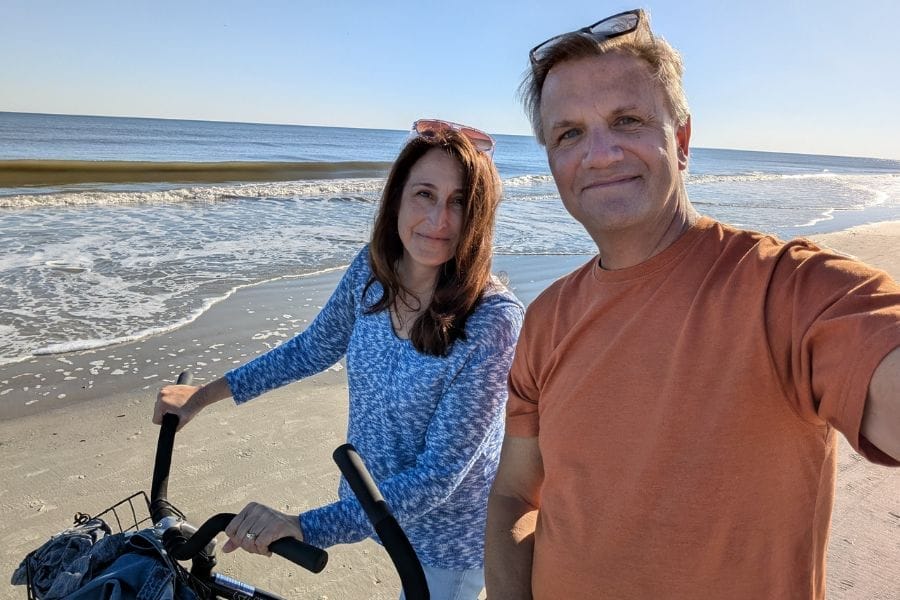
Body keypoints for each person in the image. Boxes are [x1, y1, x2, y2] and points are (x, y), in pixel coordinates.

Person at [484, 9, 900, 600]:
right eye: (568, 133)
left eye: (627, 120)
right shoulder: (546, 318)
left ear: (680, 141)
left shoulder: (784, 289)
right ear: (551, 159)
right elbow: (514, 494)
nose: (599, 154)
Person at [154, 119, 524, 600]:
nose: (439, 221)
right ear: (397, 198)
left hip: (447, 539)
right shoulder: (372, 270)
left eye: (459, 202)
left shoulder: (493, 321)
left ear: (478, 216)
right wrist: (202, 396)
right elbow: (312, 349)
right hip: (373, 505)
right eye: (425, 194)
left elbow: (438, 477)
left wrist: (305, 526)